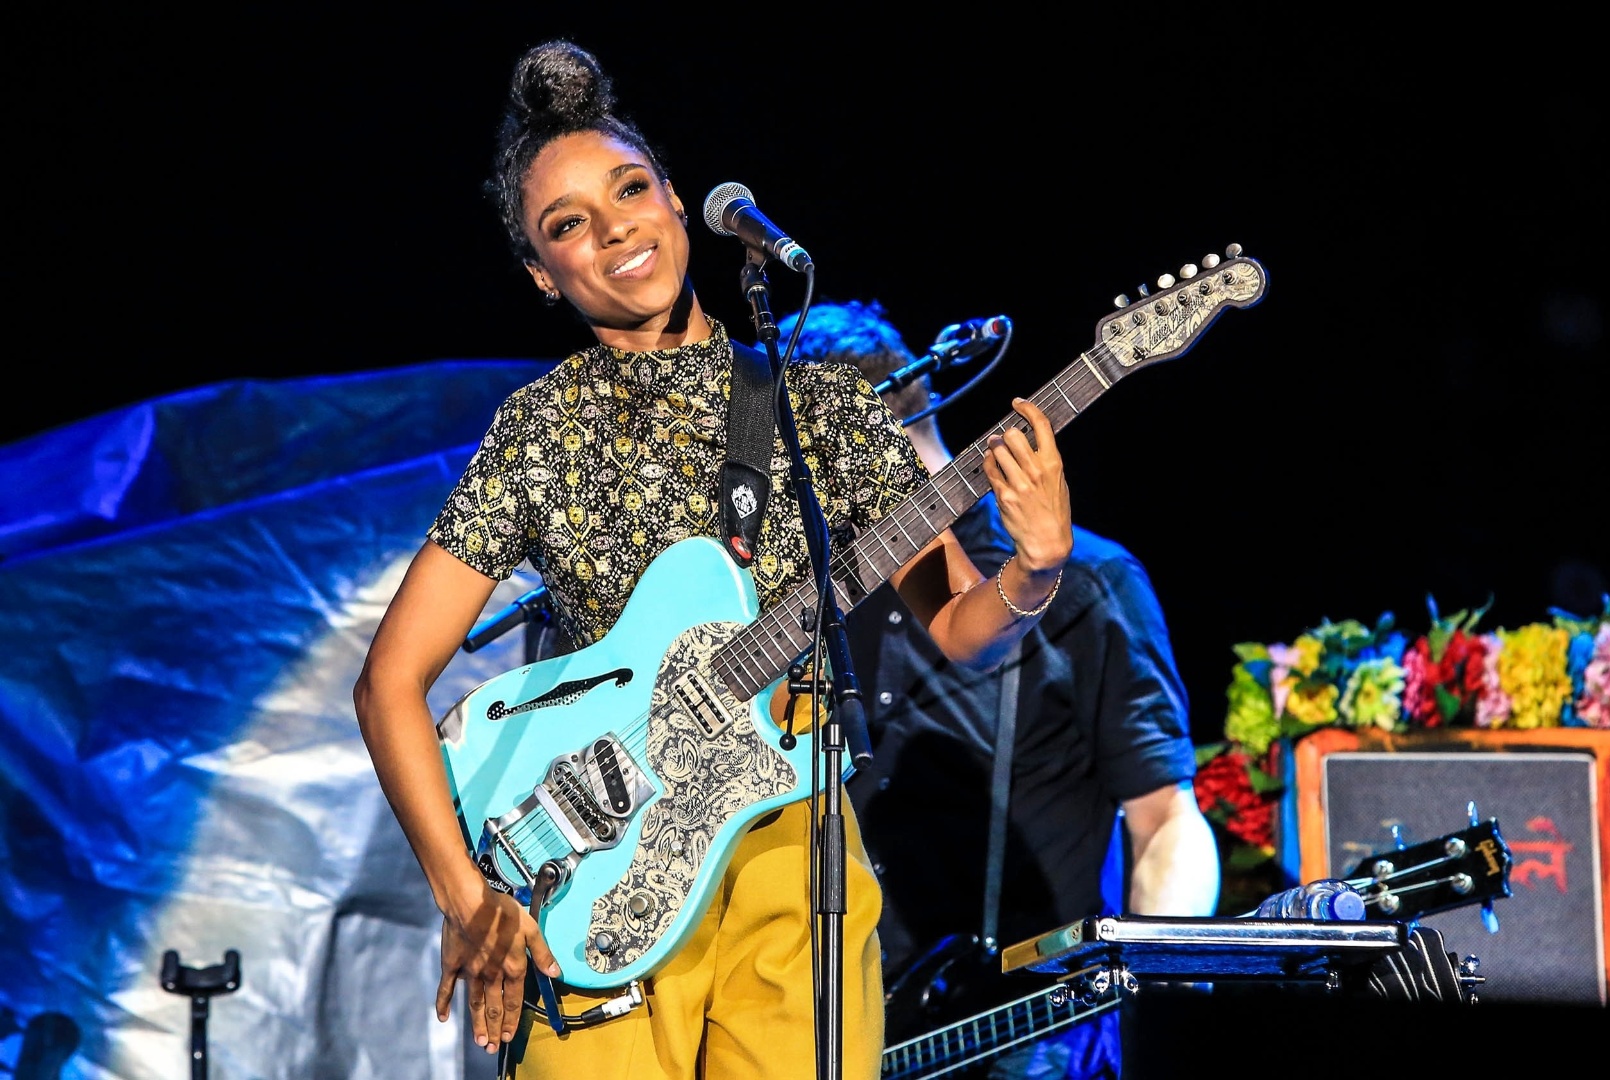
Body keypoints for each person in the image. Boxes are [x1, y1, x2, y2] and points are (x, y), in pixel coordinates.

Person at [351, 40, 1075, 1080]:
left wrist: (1035, 571)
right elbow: (389, 683)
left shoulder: (820, 404)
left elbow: (960, 624)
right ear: (540, 277)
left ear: (678, 202)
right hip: (594, 874)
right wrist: (469, 899)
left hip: (789, 850)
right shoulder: (538, 432)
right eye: (568, 225)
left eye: (629, 190)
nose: (613, 231)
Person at [776, 300, 1220, 1080]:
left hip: (1024, 1038)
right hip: (823, 1031)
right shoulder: (799, 600)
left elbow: (1164, 823)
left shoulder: (1089, 581)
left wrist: (1157, 999)